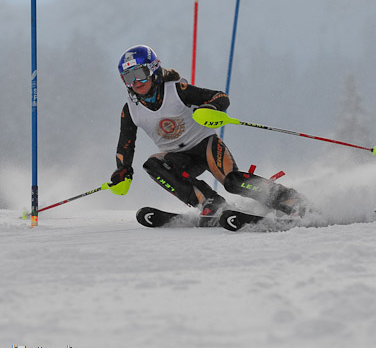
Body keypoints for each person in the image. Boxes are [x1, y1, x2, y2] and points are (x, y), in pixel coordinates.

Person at [109, 44, 306, 223]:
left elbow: (220, 97)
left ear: (153, 70)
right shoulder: (131, 110)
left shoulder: (177, 90)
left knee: (232, 181)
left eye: (140, 73)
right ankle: (211, 204)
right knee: (152, 165)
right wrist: (122, 169)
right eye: (128, 77)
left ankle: (288, 199)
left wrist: (210, 107)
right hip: (180, 158)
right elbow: (125, 144)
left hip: (205, 145)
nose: (135, 82)